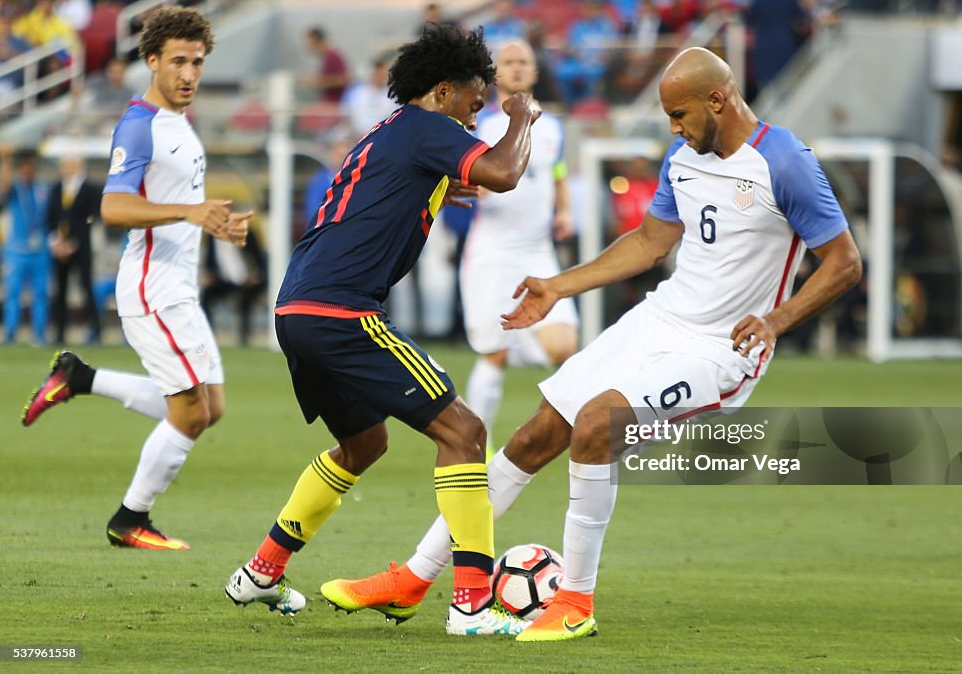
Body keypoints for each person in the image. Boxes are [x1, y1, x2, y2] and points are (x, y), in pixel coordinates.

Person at [328, 47, 863, 642]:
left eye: (680, 115)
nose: (674, 128)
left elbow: (844, 262)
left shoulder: (783, 161)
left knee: (598, 423)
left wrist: (777, 320)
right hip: (659, 318)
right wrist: (558, 286)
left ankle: (575, 600)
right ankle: (414, 577)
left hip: (721, 350)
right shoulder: (684, 156)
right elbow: (648, 243)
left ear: (718, 99)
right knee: (535, 434)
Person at [223, 23, 542, 637]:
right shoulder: (429, 129)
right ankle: (472, 606)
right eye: (476, 104)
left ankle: (262, 572)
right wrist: (521, 117)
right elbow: (503, 173)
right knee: (466, 432)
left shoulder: (394, 133)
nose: (476, 119)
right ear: (445, 91)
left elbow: (385, 188)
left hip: (297, 310)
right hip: (343, 311)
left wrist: (431, 190)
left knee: (365, 444)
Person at [21, 8, 251, 553]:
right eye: (177, 61)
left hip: (178, 286)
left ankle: (79, 378)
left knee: (209, 409)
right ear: (151, 61)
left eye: (197, 62)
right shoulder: (139, 124)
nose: (189, 73)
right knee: (190, 414)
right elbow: (116, 206)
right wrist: (190, 213)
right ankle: (130, 518)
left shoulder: (181, 122)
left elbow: (177, 203)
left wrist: (212, 222)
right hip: (152, 288)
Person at [460, 40, 577, 452]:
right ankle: (476, 444)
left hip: (538, 252)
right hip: (492, 253)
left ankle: (565, 433)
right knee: (493, 354)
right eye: (507, 62)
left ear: (534, 71)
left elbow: (557, 172)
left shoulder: (553, 127)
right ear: (496, 76)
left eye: (522, 61)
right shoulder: (482, 125)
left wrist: (564, 211)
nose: (515, 68)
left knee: (565, 347)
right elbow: (464, 181)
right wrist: (473, 189)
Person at [46, 154, 102, 344]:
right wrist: (56, 241)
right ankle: (59, 333)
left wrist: (74, 242)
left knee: (86, 287)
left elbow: (92, 217)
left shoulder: (90, 189)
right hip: (59, 248)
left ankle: (95, 331)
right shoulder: (56, 188)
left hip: (81, 247)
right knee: (60, 291)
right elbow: (50, 217)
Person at [0, 146, 52, 344]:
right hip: (16, 251)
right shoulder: (15, 190)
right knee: (13, 293)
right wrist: (5, 160)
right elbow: (3, 184)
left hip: (39, 252)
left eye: (31, 169)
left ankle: (40, 334)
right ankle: (10, 333)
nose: (28, 172)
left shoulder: (42, 189)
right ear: (19, 171)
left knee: (40, 294)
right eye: (24, 169)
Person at [304, 27, 349, 103]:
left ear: (315, 40)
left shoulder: (333, 57)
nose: (307, 46)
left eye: (309, 43)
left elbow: (343, 80)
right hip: (327, 103)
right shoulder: (326, 57)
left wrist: (317, 82)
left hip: (334, 104)